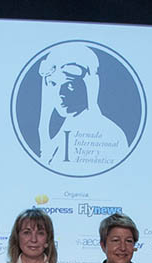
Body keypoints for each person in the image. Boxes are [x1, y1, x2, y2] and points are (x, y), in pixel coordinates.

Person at [37, 43, 129, 171]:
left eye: (69, 85)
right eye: (53, 84)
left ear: (88, 86)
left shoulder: (112, 135)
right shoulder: (63, 128)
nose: (60, 94)